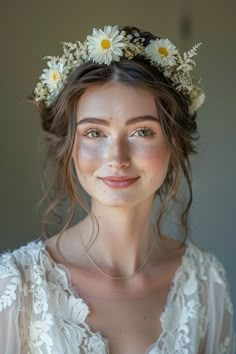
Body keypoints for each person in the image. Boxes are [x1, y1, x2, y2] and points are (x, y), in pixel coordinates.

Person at [0, 25, 235, 354]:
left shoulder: (207, 282)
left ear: (174, 142)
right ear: (70, 146)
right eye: (94, 133)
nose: (117, 158)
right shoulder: (15, 285)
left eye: (142, 132)